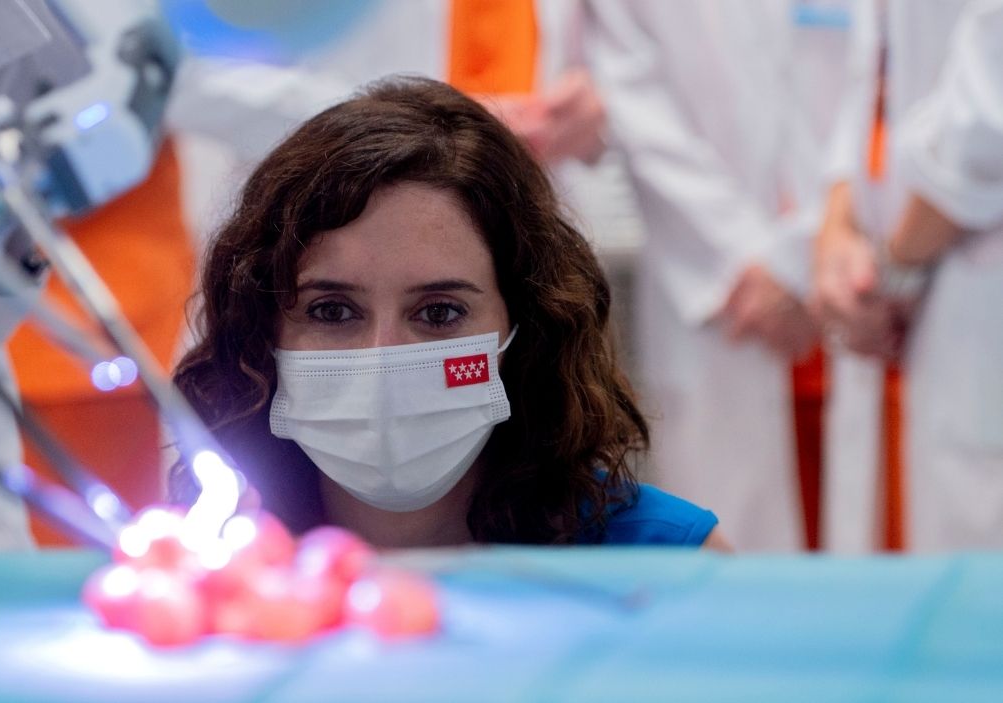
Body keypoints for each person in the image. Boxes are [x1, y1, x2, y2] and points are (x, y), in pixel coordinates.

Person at [171, 77, 729, 550]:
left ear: (524, 325)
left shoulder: (668, 561)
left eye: (438, 313)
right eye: (333, 310)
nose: (382, 356)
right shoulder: (205, 561)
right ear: (261, 327)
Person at [584, 0, 854, 551]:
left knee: (868, 551)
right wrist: (756, 263)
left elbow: (881, 83)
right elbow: (635, 104)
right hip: (725, 294)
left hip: (854, 265)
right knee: (737, 559)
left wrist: (815, 248)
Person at [815, 0, 1003, 550]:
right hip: (901, 273)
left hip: (958, 283)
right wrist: (837, 223)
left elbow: (986, 119)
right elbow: (871, 72)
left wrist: (895, 268)